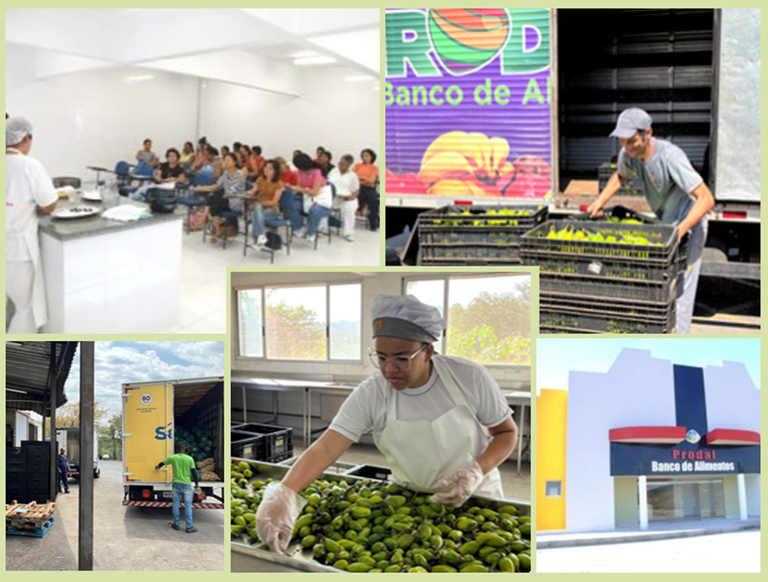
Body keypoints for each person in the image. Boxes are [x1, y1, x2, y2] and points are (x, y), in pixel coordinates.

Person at [255, 294, 518, 554]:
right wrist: (285, 493)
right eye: (381, 358)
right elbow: (326, 447)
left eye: (402, 358)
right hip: (411, 501)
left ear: (428, 351)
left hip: (476, 497)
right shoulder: (373, 393)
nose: (389, 369)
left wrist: (476, 471)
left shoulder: (468, 377)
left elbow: (506, 432)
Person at [587, 108, 715, 334]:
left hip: (690, 223)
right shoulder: (629, 154)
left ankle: (680, 341)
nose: (626, 147)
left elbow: (706, 199)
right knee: (663, 282)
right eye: (623, 142)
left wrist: (680, 230)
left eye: (631, 141)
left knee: (683, 285)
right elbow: (620, 176)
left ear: (648, 133)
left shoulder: (670, 157)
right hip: (666, 224)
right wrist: (600, 200)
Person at [6, 117, 58, 334]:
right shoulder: (30, 165)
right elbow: (49, 204)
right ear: (26, 138)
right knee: (24, 309)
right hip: (17, 251)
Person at [195, 152, 245, 244]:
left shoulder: (239, 174)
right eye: (224, 160)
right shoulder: (226, 173)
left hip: (235, 202)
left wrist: (218, 192)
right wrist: (200, 188)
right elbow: (216, 186)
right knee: (213, 201)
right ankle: (217, 230)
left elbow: (230, 193)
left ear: (234, 162)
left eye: (228, 160)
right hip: (225, 200)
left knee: (213, 198)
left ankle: (202, 219)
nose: (225, 162)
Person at [155, 443, 199, 533]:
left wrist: (158, 467)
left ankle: (176, 524)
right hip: (186, 484)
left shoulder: (173, 458)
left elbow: (162, 463)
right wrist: (196, 484)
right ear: (185, 449)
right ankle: (189, 527)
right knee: (187, 505)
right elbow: (194, 472)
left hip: (176, 484)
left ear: (176, 449)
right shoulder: (189, 459)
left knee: (175, 504)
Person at [293, 152, 332, 244]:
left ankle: (311, 232)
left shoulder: (317, 172)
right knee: (292, 205)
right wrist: (292, 189)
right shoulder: (300, 172)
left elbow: (315, 192)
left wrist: (300, 189)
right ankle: (299, 228)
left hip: (320, 198)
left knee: (315, 210)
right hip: (306, 196)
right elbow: (299, 187)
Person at [248, 159, 285, 248]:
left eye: (270, 168)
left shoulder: (279, 184)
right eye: (265, 167)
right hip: (260, 209)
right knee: (257, 210)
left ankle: (258, 238)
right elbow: (252, 192)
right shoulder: (260, 180)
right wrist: (246, 194)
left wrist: (260, 203)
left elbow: (274, 202)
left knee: (255, 212)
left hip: (272, 210)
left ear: (275, 171)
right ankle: (261, 237)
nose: (266, 170)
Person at [328, 154, 360, 242]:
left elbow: (356, 191)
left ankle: (348, 233)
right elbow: (327, 183)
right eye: (340, 162)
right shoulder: (333, 171)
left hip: (345, 199)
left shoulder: (353, 175)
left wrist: (351, 197)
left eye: (343, 163)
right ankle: (322, 229)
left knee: (350, 208)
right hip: (331, 197)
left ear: (349, 165)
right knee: (321, 204)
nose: (340, 165)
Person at [354, 148, 380, 231]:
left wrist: (360, 178)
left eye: (366, 156)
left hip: (369, 189)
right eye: (363, 156)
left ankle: (373, 223)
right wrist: (365, 179)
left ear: (371, 157)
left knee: (374, 201)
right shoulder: (357, 166)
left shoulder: (374, 168)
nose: (364, 157)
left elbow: (372, 181)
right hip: (357, 187)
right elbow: (353, 178)